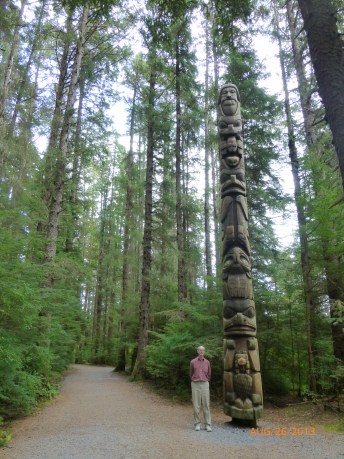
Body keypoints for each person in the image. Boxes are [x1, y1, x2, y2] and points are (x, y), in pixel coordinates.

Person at [189, 345, 212, 432]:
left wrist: (206, 381)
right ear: (197, 351)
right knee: (196, 405)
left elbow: (209, 374)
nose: (202, 352)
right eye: (200, 350)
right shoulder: (193, 362)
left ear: (204, 352)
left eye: (203, 350)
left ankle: (207, 424)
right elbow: (190, 373)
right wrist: (194, 380)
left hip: (205, 384)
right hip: (195, 384)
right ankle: (197, 424)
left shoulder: (207, 362)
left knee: (206, 404)